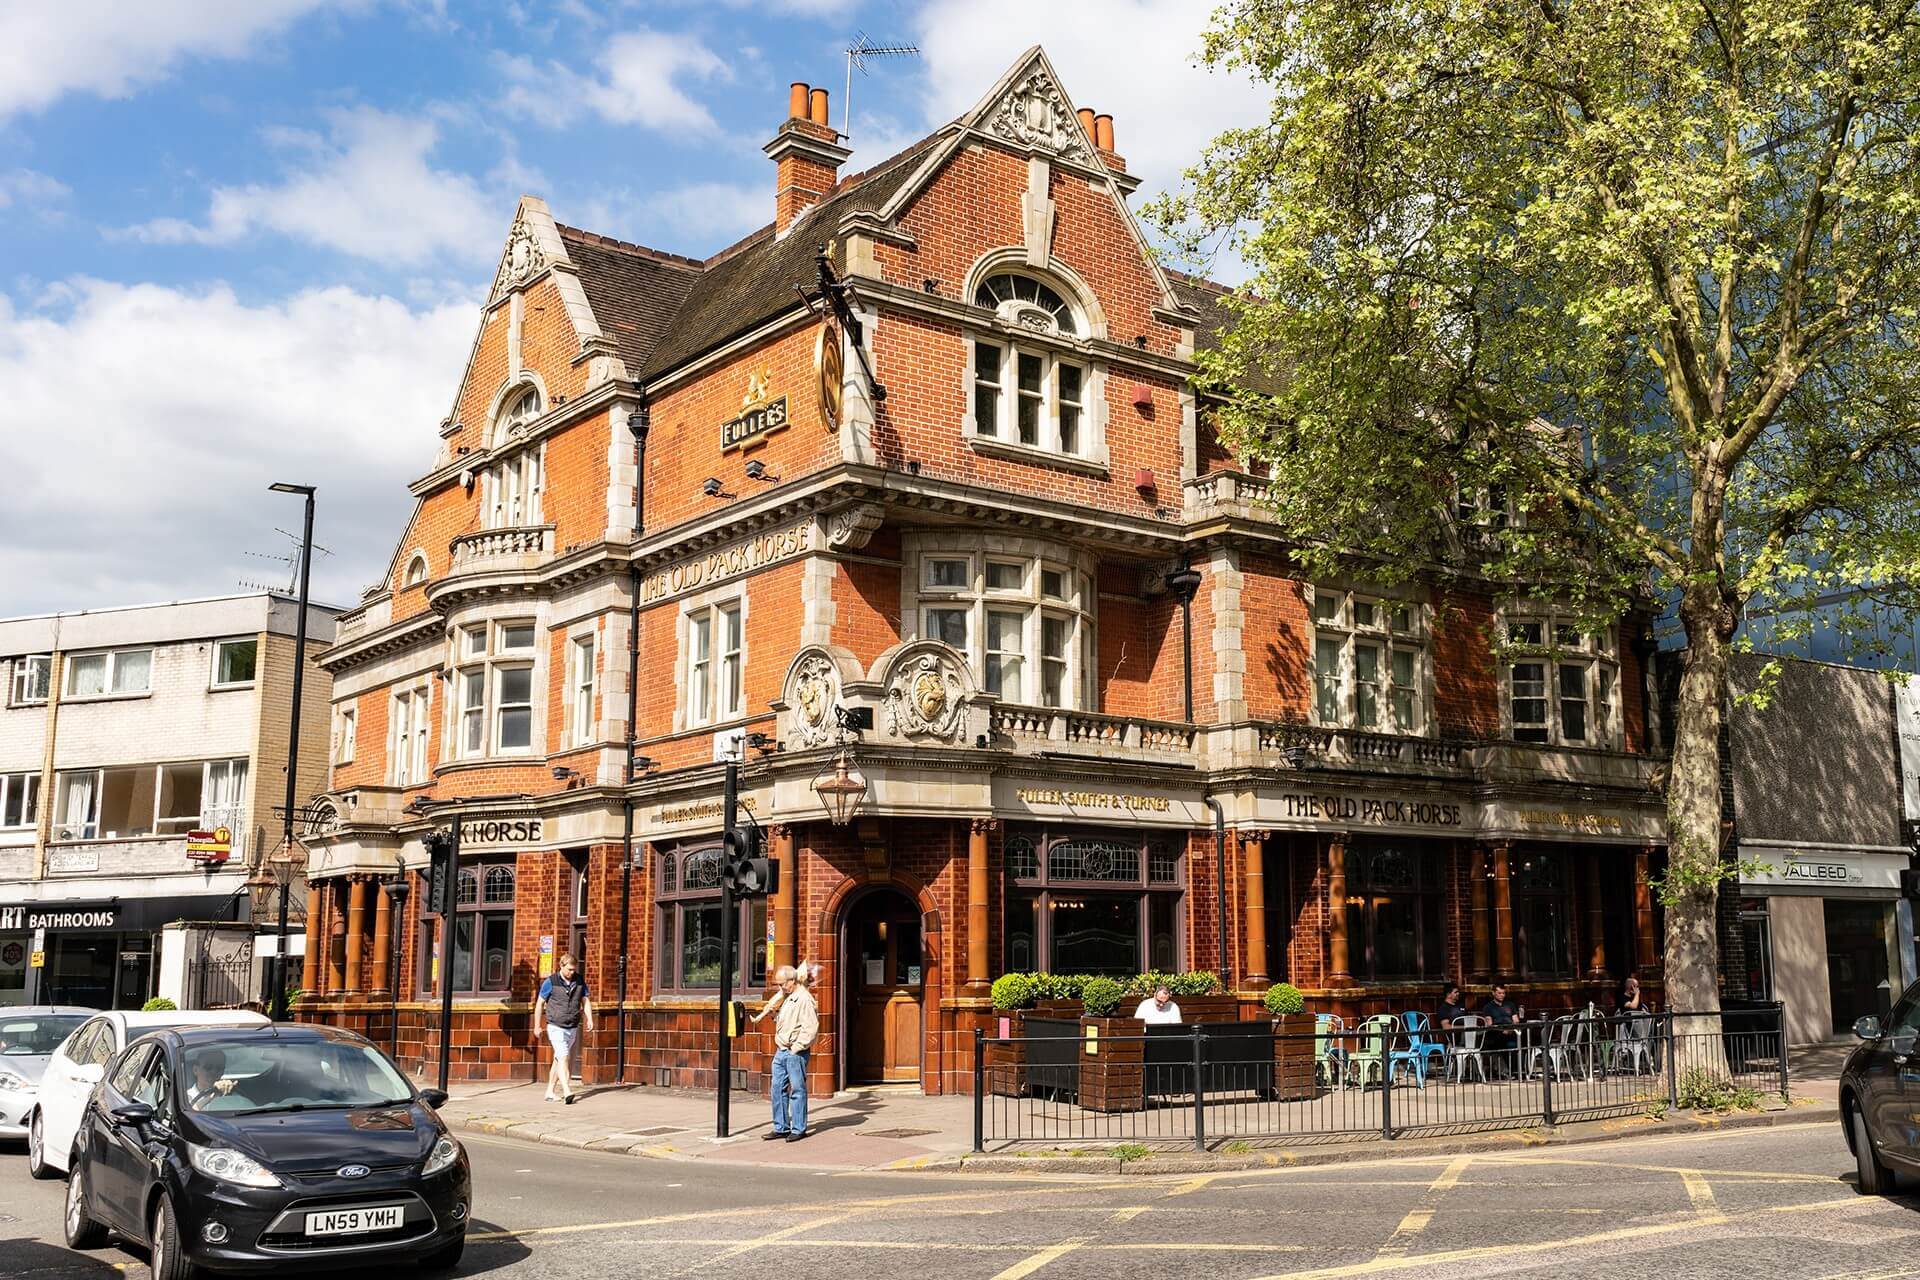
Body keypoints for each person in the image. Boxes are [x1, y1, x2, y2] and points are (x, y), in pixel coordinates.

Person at [768, 964, 818, 1142]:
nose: (780, 988)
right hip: (781, 1049)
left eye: (782, 984)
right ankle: (780, 1127)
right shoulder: (789, 997)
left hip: (794, 1051)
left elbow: (810, 1028)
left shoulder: (804, 999)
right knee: (777, 1088)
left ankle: (798, 1128)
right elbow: (789, 1023)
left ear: (792, 981)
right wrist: (775, 1016)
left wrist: (796, 1048)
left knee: (797, 1089)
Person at [534, 953, 593, 1105]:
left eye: (574, 970)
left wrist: (589, 1018)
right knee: (564, 1056)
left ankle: (549, 1091)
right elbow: (539, 1004)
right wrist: (536, 1025)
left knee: (558, 1059)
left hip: (572, 1026)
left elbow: (585, 1001)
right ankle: (567, 1090)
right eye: (569, 969)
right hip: (555, 1025)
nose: (572, 972)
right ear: (561, 966)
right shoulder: (551, 982)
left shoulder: (579, 981)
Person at [1480, 982, 1524, 1075]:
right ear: (1493, 993)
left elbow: (1516, 1020)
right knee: (1501, 1041)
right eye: (1499, 993)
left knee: (1525, 1039)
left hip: (1512, 1031)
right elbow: (1490, 1025)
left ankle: (1522, 1070)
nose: (1502, 995)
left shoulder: (1510, 1005)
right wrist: (1503, 1031)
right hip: (1497, 1033)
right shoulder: (1488, 1007)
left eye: (1503, 993)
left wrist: (1511, 1029)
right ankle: (1510, 1071)